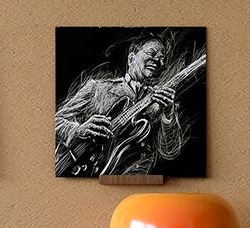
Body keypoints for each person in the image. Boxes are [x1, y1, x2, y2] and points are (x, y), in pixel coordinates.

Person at [54, 33, 193, 177]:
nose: (158, 61)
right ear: (131, 58)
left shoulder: (162, 103)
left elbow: (170, 150)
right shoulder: (97, 88)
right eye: (152, 53)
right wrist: (79, 129)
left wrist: (169, 113)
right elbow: (56, 122)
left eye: (162, 59)